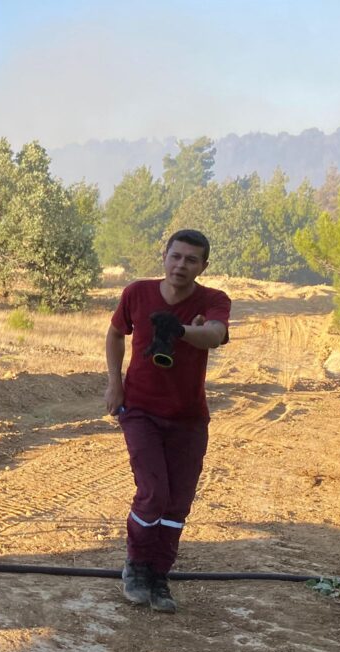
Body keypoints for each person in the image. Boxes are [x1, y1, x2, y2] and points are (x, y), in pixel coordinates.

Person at [104, 229, 230, 613]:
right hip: (140, 410)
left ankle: (159, 575)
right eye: (176, 256)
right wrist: (114, 384)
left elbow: (215, 335)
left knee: (177, 504)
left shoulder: (214, 300)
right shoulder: (137, 293)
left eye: (191, 260)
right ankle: (136, 566)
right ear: (164, 257)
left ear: (203, 266)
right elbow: (115, 334)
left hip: (189, 418)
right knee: (153, 493)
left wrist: (181, 331)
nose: (181, 265)